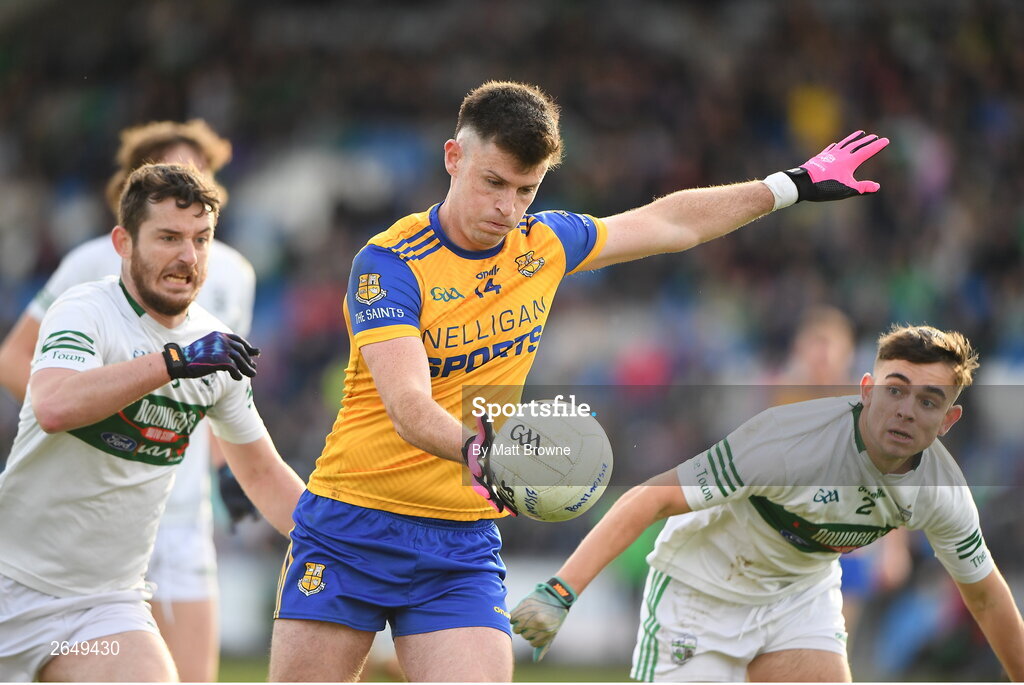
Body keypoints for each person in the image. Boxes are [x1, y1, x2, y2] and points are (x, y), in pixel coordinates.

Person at [267, 80, 888, 682]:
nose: (506, 209)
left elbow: (670, 224)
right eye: (493, 184)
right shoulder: (389, 265)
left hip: (459, 542)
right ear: (453, 158)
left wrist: (788, 187)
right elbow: (407, 405)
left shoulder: (543, 244)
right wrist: (488, 455)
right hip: (352, 526)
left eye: (525, 190)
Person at [510, 324, 1024, 682]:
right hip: (702, 589)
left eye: (929, 401)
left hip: (798, 596)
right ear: (867, 391)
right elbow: (651, 498)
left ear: (949, 420)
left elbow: (984, 595)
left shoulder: (943, 490)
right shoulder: (784, 440)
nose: (907, 411)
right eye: (895, 390)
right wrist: (561, 590)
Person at [0, 163, 305, 682]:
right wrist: (172, 361)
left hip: (100, 611)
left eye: (201, 239)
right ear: (123, 242)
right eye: (168, 237)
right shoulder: (85, 310)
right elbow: (52, 406)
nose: (187, 257)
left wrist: (350, 546)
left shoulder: (215, 348)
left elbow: (261, 474)